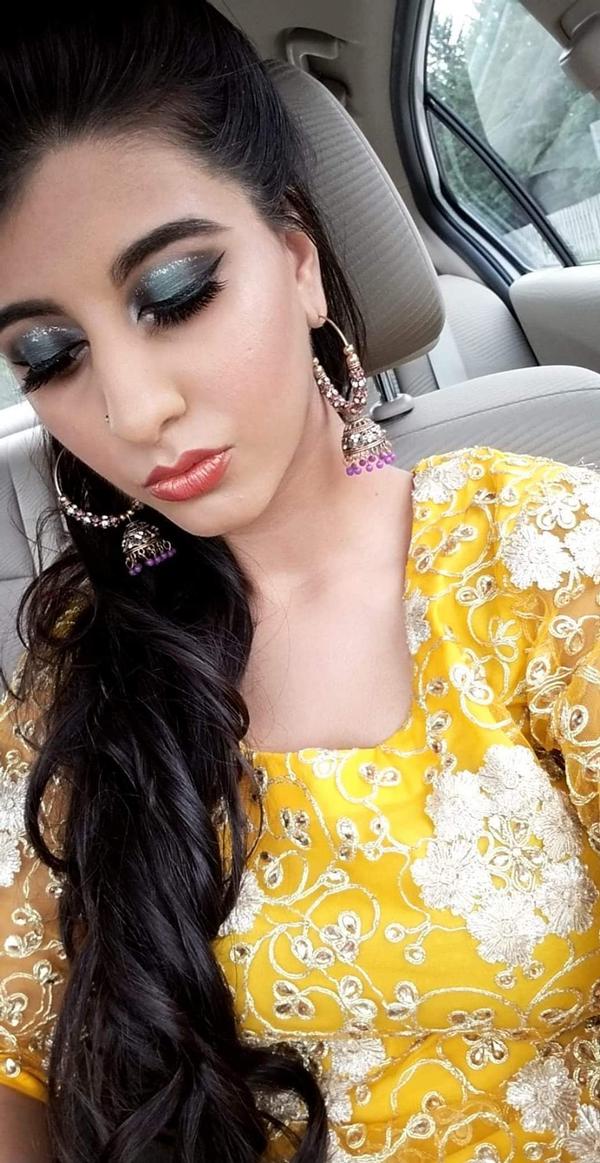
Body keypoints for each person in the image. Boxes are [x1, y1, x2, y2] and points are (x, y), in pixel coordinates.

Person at [0, 3, 598, 1161]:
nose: (132, 410)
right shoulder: (81, 665)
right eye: (48, 355)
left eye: (176, 292)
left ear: (299, 260)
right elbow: (16, 1051)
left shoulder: (544, 555)